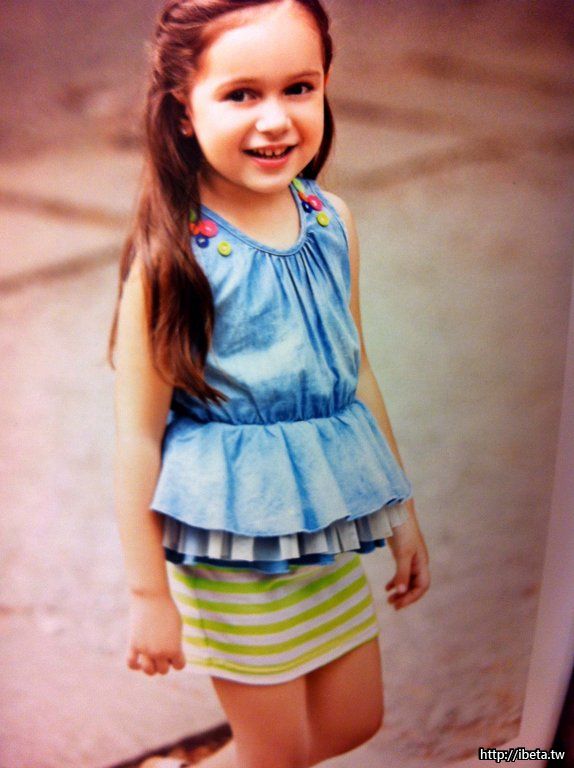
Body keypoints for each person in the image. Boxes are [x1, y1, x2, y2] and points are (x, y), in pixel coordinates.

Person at [107, 1, 430, 766]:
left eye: (299, 87)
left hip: (323, 526)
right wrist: (150, 597)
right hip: (231, 551)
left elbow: (354, 373)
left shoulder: (331, 222)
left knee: (353, 722)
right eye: (241, 93)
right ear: (183, 111)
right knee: (274, 754)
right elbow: (137, 438)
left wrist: (401, 513)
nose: (276, 120)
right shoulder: (173, 261)